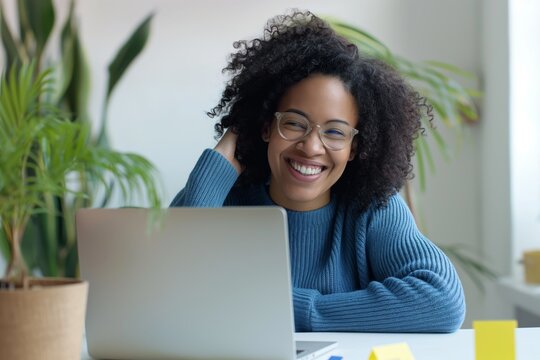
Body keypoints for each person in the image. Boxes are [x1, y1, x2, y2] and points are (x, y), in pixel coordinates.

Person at [171, 10, 465, 333]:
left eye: (335, 132)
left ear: (355, 147)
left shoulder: (371, 208)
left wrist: (298, 310)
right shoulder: (223, 198)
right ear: (267, 126)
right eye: (294, 123)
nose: (311, 147)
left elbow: (443, 301)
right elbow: (170, 284)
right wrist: (223, 156)